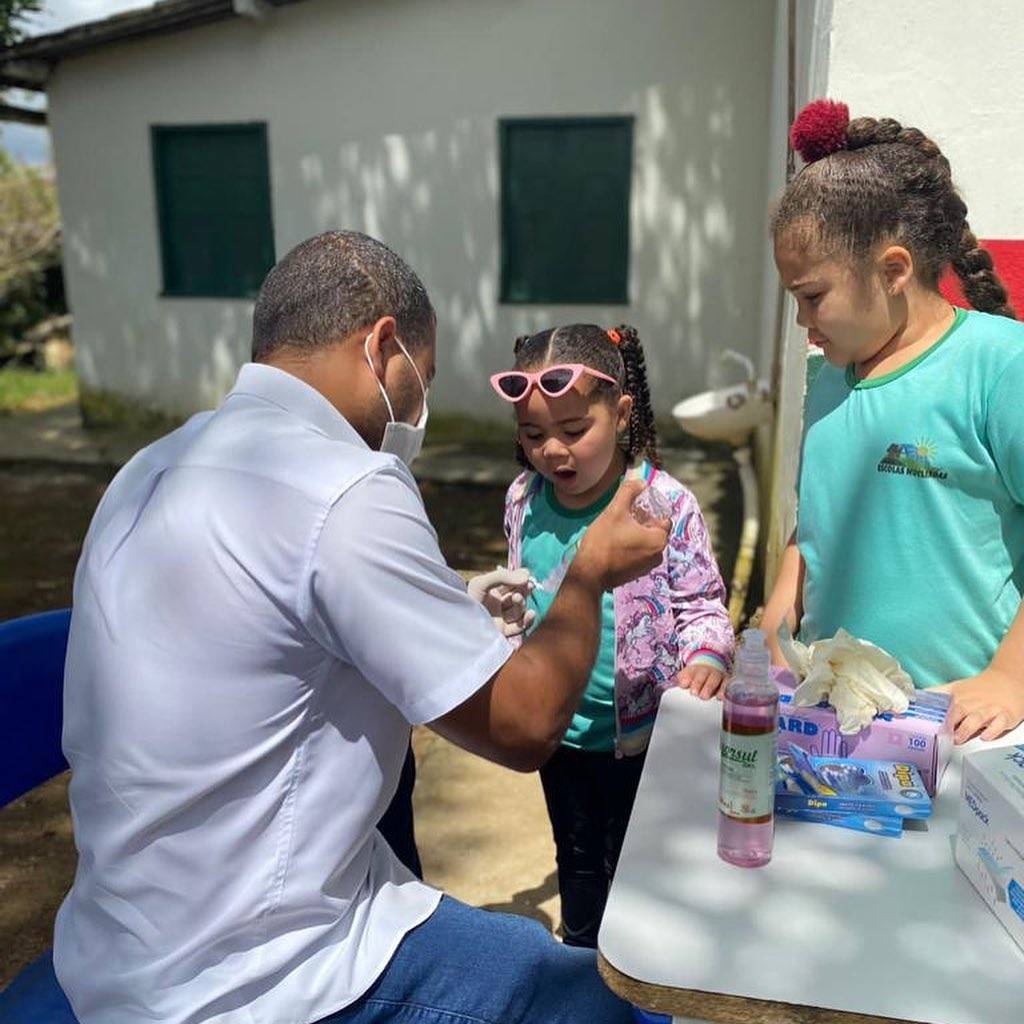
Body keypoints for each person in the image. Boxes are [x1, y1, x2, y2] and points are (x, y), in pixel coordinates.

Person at [49, 231, 670, 1024]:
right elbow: (521, 729)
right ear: (383, 347)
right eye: (424, 380)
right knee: (614, 1009)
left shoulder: (147, 470)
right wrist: (587, 576)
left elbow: (266, 626)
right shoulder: (346, 483)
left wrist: (446, 606)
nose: (417, 409)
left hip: (119, 949)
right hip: (260, 979)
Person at [762, 99, 1024, 746]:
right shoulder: (827, 376)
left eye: (812, 297)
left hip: (966, 728)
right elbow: (817, 518)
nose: (804, 323)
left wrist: (1011, 677)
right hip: (836, 722)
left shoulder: (1000, 366)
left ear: (893, 270)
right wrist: (776, 613)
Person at [491, 323, 733, 947]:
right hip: (561, 733)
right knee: (574, 857)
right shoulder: (523, 498)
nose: (551, 451)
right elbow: (527, 596)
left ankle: (636, 970)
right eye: (532, 434)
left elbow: (702, 600)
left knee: (635, 864)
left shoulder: (663, 505)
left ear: (621, 414)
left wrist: (705, 654)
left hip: (643, 734)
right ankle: (581, 962)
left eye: (574, 431)